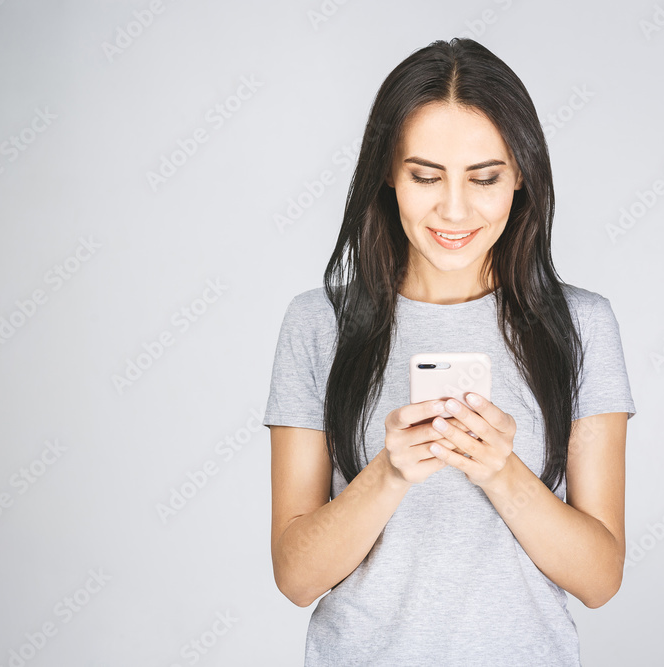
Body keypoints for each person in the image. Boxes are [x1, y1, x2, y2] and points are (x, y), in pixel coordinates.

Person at [263, 38, 637, 666]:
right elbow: (296, 578)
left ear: (521, 175)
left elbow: (600, 580)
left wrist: (501, 471)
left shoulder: (582, 326)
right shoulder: (319, 324)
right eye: (425, 176)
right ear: (389, 172)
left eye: (485, 178)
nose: (455, 209)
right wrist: (389, 473)